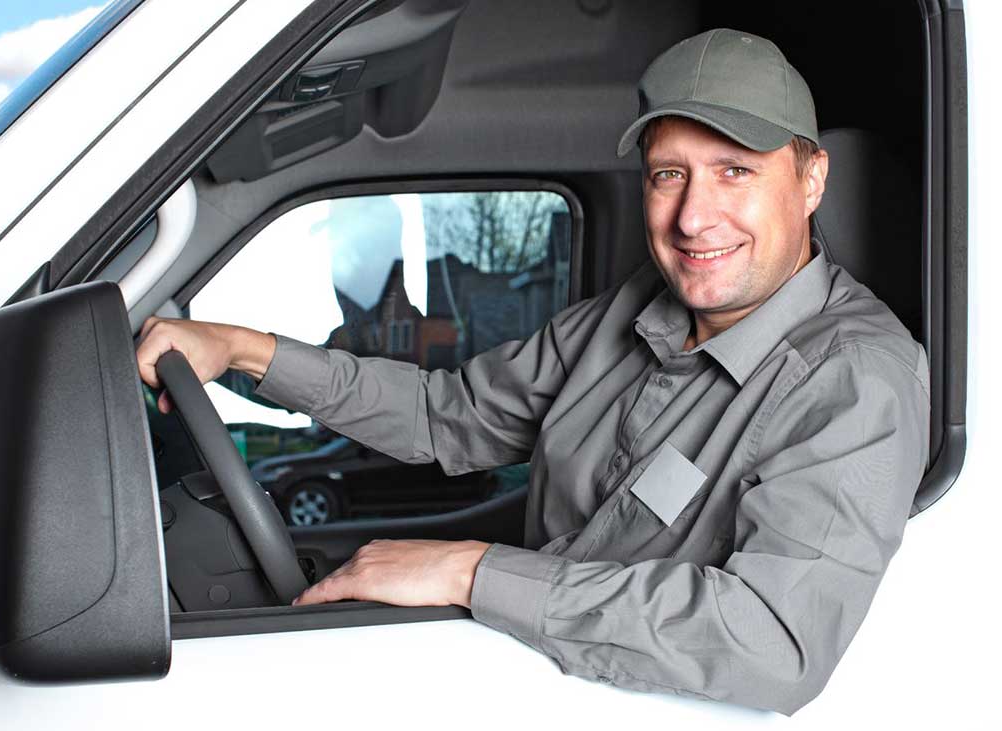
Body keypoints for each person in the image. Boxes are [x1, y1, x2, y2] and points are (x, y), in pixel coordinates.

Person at [136, 28, 929, 715]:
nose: (692, 217)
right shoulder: (630, 314)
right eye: (668, 173)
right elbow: (443, 415)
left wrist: (469, 569)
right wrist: (242, 348)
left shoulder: (857, 377)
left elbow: (770, 641)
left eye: (735, 171)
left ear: (811, 179)